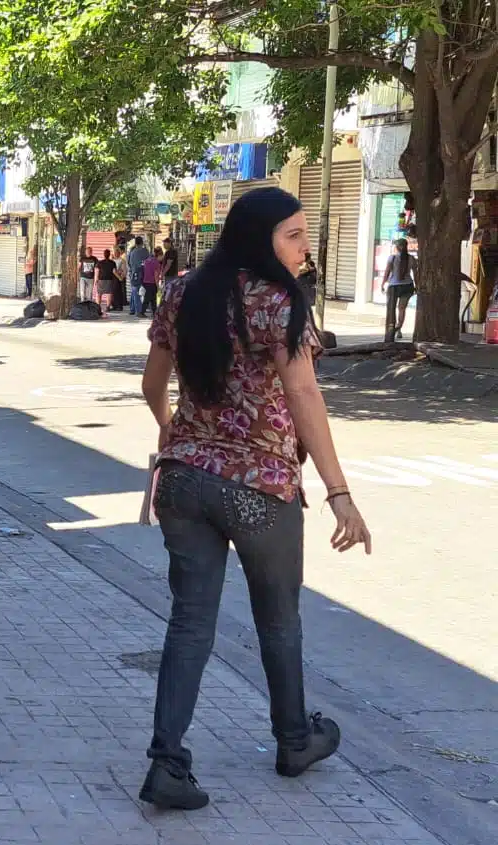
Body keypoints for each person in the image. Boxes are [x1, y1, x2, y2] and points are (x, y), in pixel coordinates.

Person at [139, 186, 371, 811]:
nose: (305, 248)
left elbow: (151, 384)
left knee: (190, 620)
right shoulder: (281, 302)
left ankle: (167, 760)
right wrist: (339, 492)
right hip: (260, 488)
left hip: (184, 482)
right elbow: (303, 396)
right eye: (293, 236)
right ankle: (294, 738)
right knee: (278, 619)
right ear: (259, 238)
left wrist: (175, 435)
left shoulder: (182, 292)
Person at [378, 238, 416, 340]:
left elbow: (387, 272)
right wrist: (417, 286)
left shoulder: (392, 258)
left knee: (391, 309)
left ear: (398, 247)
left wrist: (382, 283)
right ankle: (398, 328)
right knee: (402, 309)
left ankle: (391, 332)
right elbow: (416, 274)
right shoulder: (412, 259)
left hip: (394, 286)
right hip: (407, 286)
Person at [126, 236, 151, 312]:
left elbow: (128, 262)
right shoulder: (145, 251)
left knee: (134, 291)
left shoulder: (131, 251)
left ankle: (132, 309)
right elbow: (148, 261)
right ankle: (138, 310)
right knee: (139, 291)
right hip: (142, 272)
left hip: (133, 272)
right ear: (142, 242)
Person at [139, 246, 162, 317]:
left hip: (145, 281)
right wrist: (158, 286)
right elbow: (156, 275)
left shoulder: (147, 260)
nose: (162, 258)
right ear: (159, 255)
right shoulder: (156, 263)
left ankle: (154, 313)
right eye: (162, 257)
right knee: (149, 298)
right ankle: (142, 312)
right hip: (152, 282)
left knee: (152, 298)